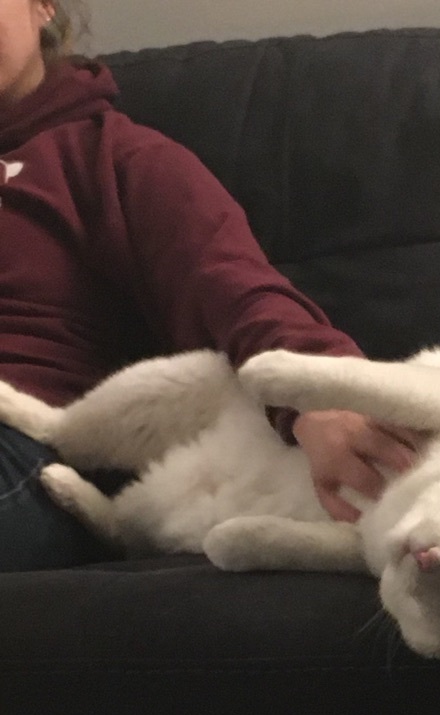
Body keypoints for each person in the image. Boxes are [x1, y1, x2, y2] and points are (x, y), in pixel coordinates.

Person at [0, 0, 416, 571]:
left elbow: (233, 286)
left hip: (25, 449)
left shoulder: (113, 157)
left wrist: (324, 394)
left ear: (42, 6)